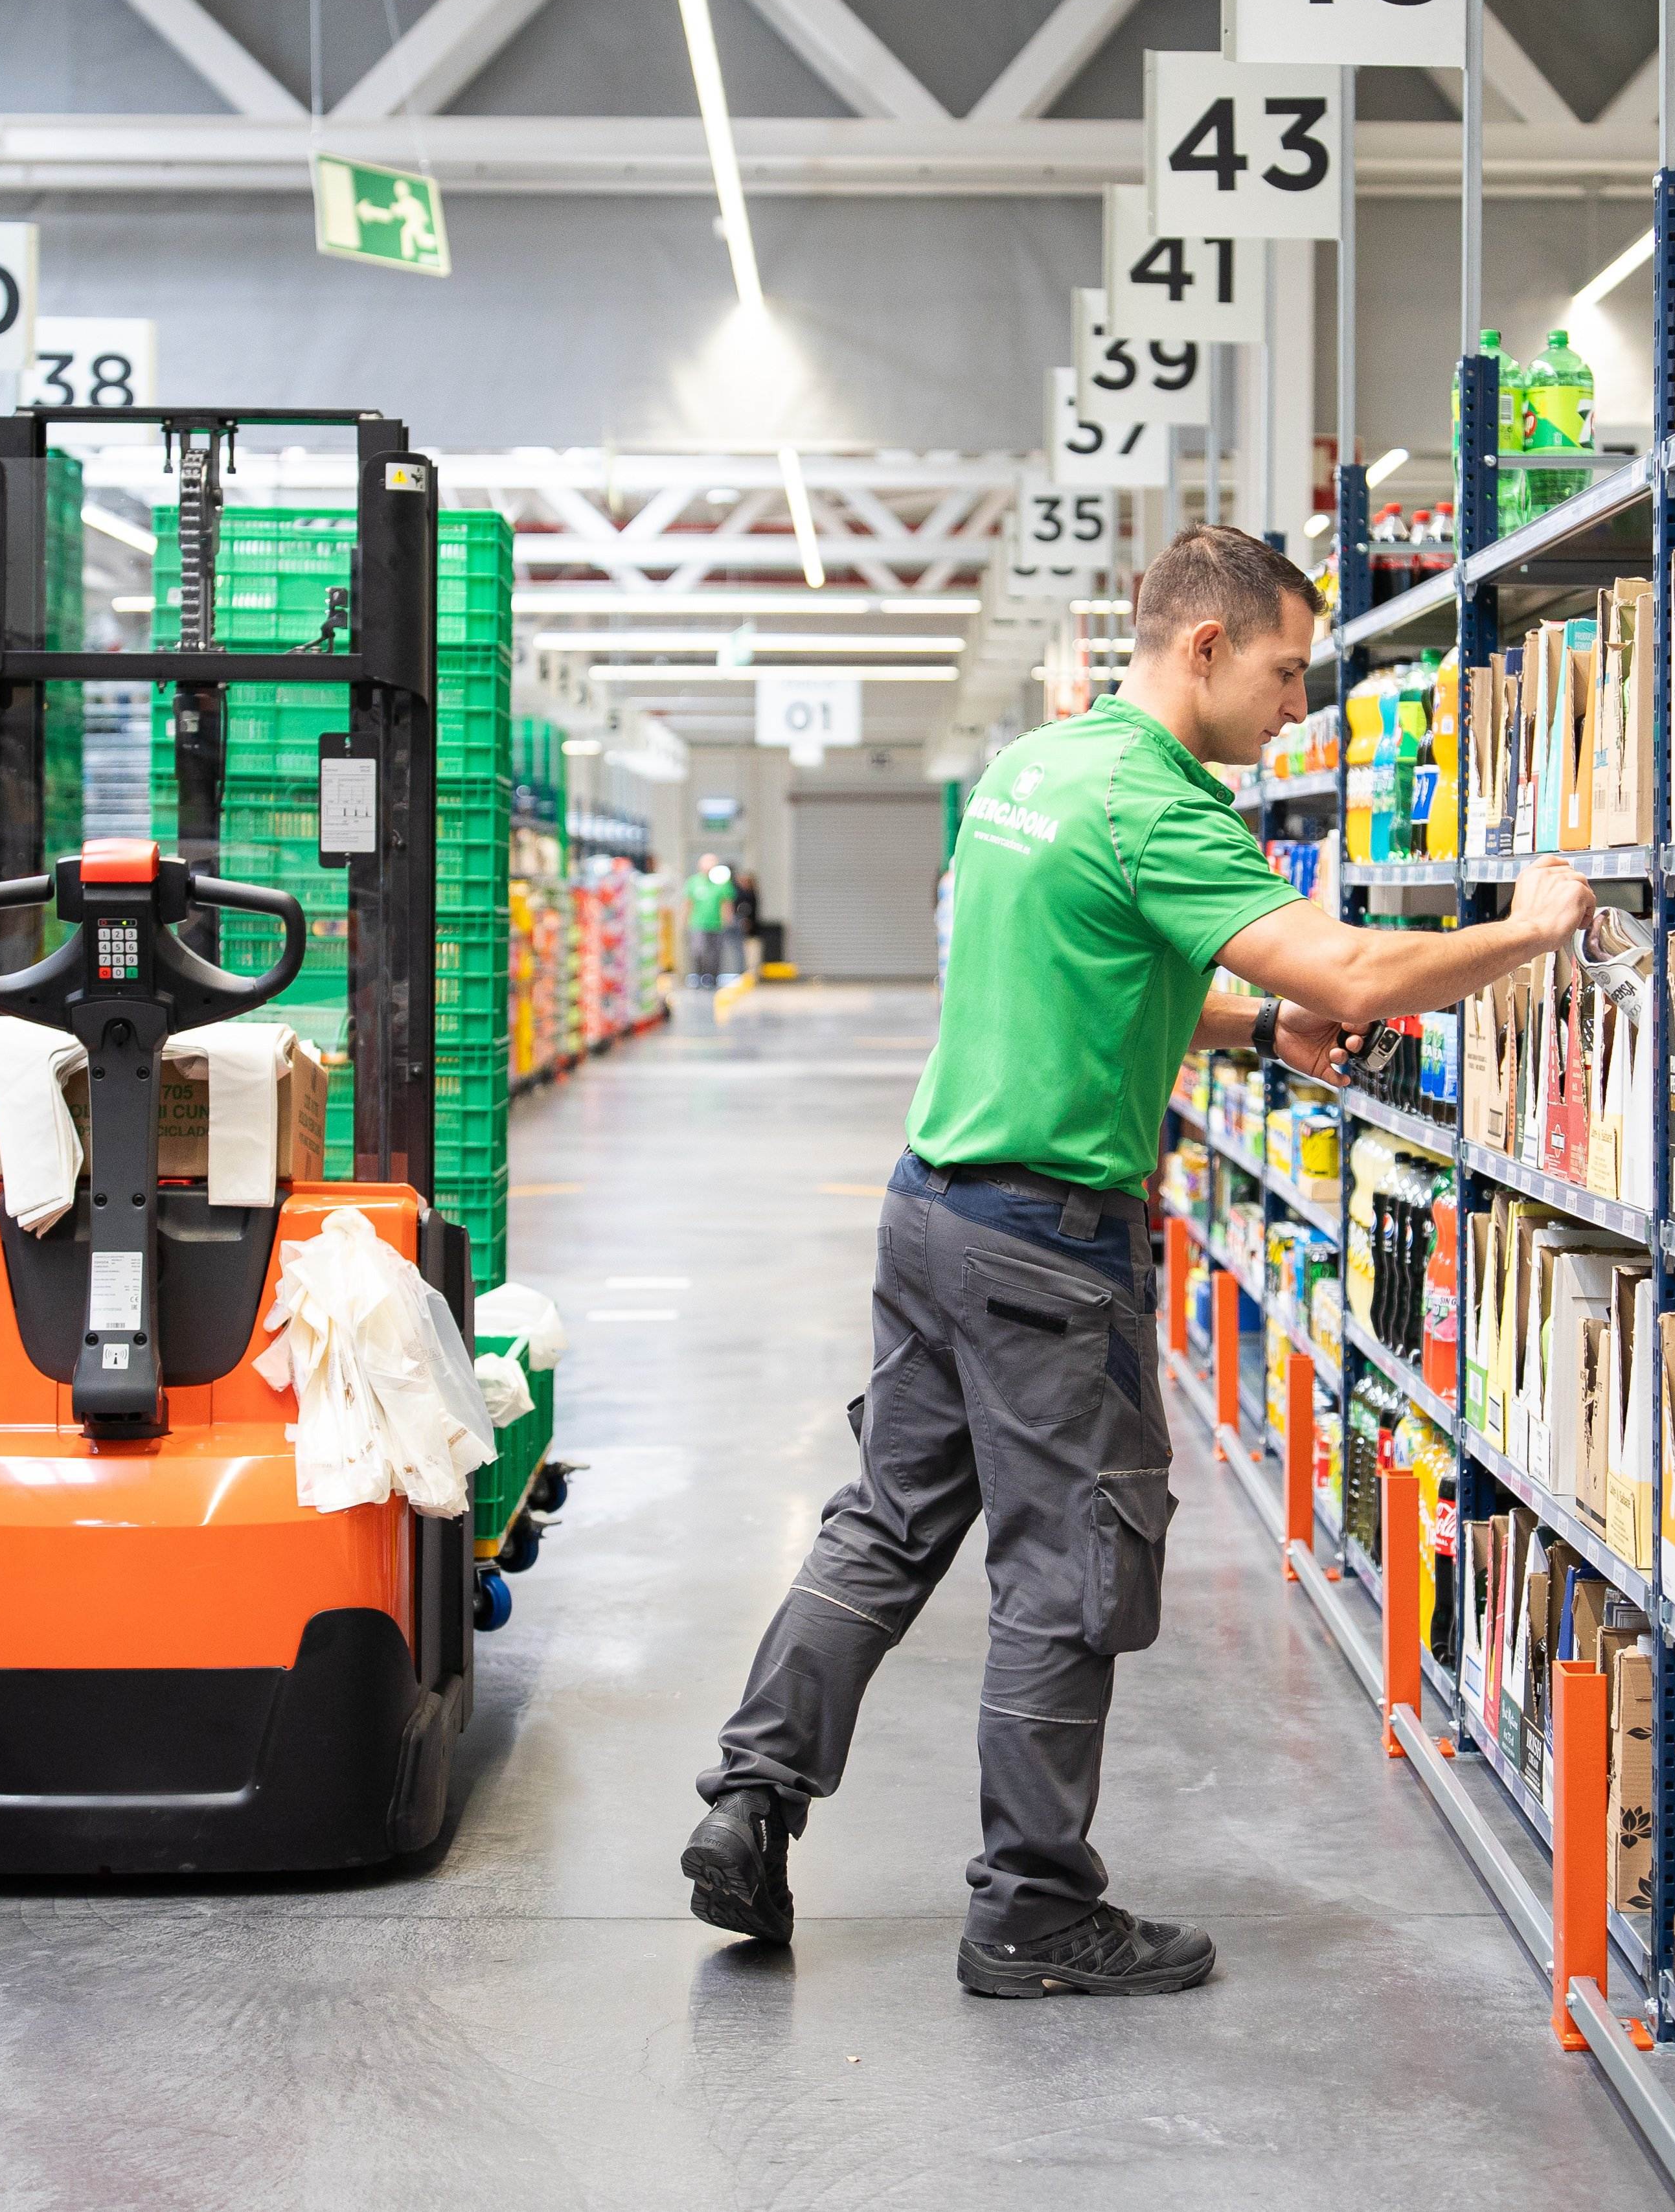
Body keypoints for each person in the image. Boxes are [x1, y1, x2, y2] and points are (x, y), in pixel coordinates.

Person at [680, 523, 1593, 1998]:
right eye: (1290, 673)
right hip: (1044, 1240)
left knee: (889, 1522)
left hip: (931, 1207)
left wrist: (1245, 1030)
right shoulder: (1165, 805)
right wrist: (1524, 930)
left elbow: (1082, 976)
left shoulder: (1033, 775)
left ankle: (751, 1799)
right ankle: (1033, 1906)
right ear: (1208, 648)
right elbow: (1352, 970)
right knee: (1069, 1568)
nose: (1298, 709)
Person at [686, 852, 740, 987]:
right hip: (698, 923)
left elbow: (727, 903)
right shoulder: (693, 882)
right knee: (698, 951)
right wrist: (685, 921)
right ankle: (699, 978)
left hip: (717, 924)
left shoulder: (722, 883)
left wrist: (728, 921)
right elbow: (688, 903)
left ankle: (713, 979)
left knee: (715, 954)